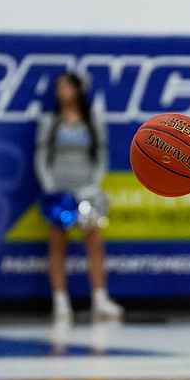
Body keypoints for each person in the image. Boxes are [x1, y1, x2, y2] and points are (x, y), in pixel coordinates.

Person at [35, 72, 123, 322]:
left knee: (94, 243)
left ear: (78, 90)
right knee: (58, 244)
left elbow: (101, 155)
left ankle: (100, 299)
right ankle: (60, 301)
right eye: (59, 87)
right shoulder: (50, 121)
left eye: (67, 86)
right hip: (59, 192)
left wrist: (93, 186)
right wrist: (51, 188)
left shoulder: (91, 120)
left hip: (87, 191)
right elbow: (41, 158)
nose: (62, 91)